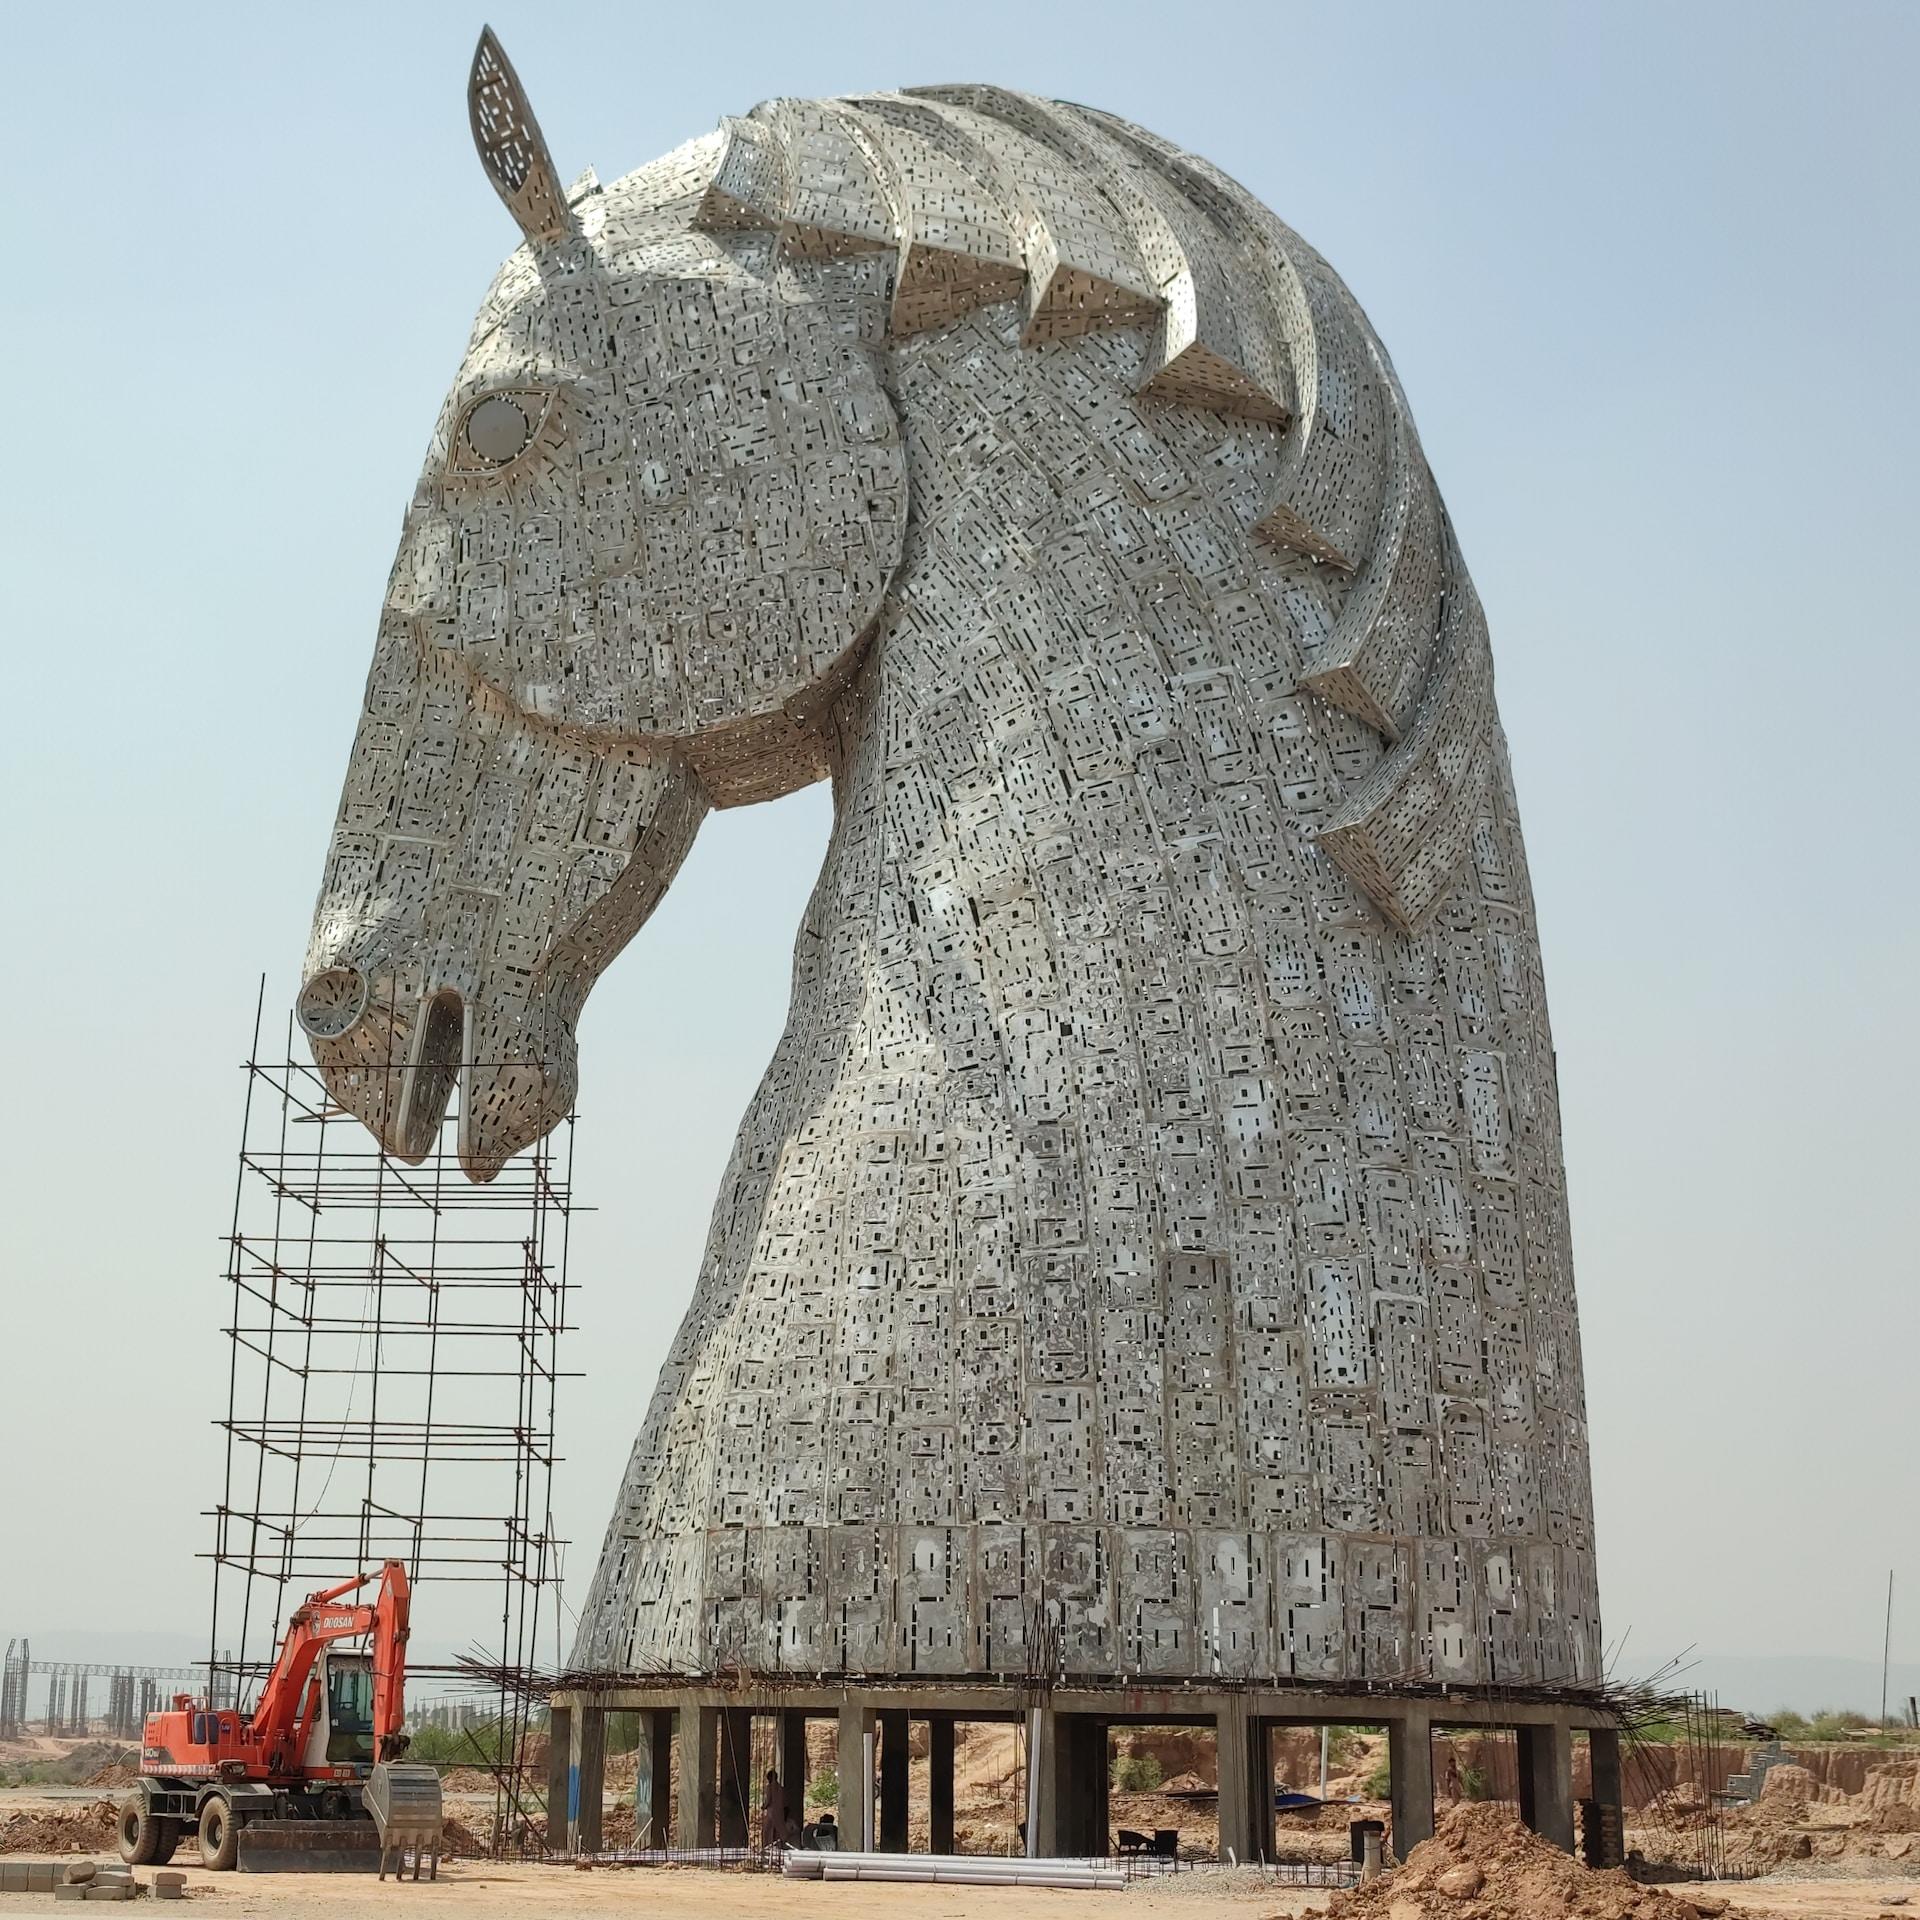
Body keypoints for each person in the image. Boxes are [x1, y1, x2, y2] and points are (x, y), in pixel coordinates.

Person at [762, 1768, 789, 1847]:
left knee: (767, 1830)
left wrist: (763, 1807)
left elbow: (768, 1800)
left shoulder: (769, 1787)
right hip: (780, 1811)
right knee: (780, 1829)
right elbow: (785, 1802)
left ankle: (766, 1846)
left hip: (771, 1811)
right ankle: (783, 1844)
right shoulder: (781, 1788)